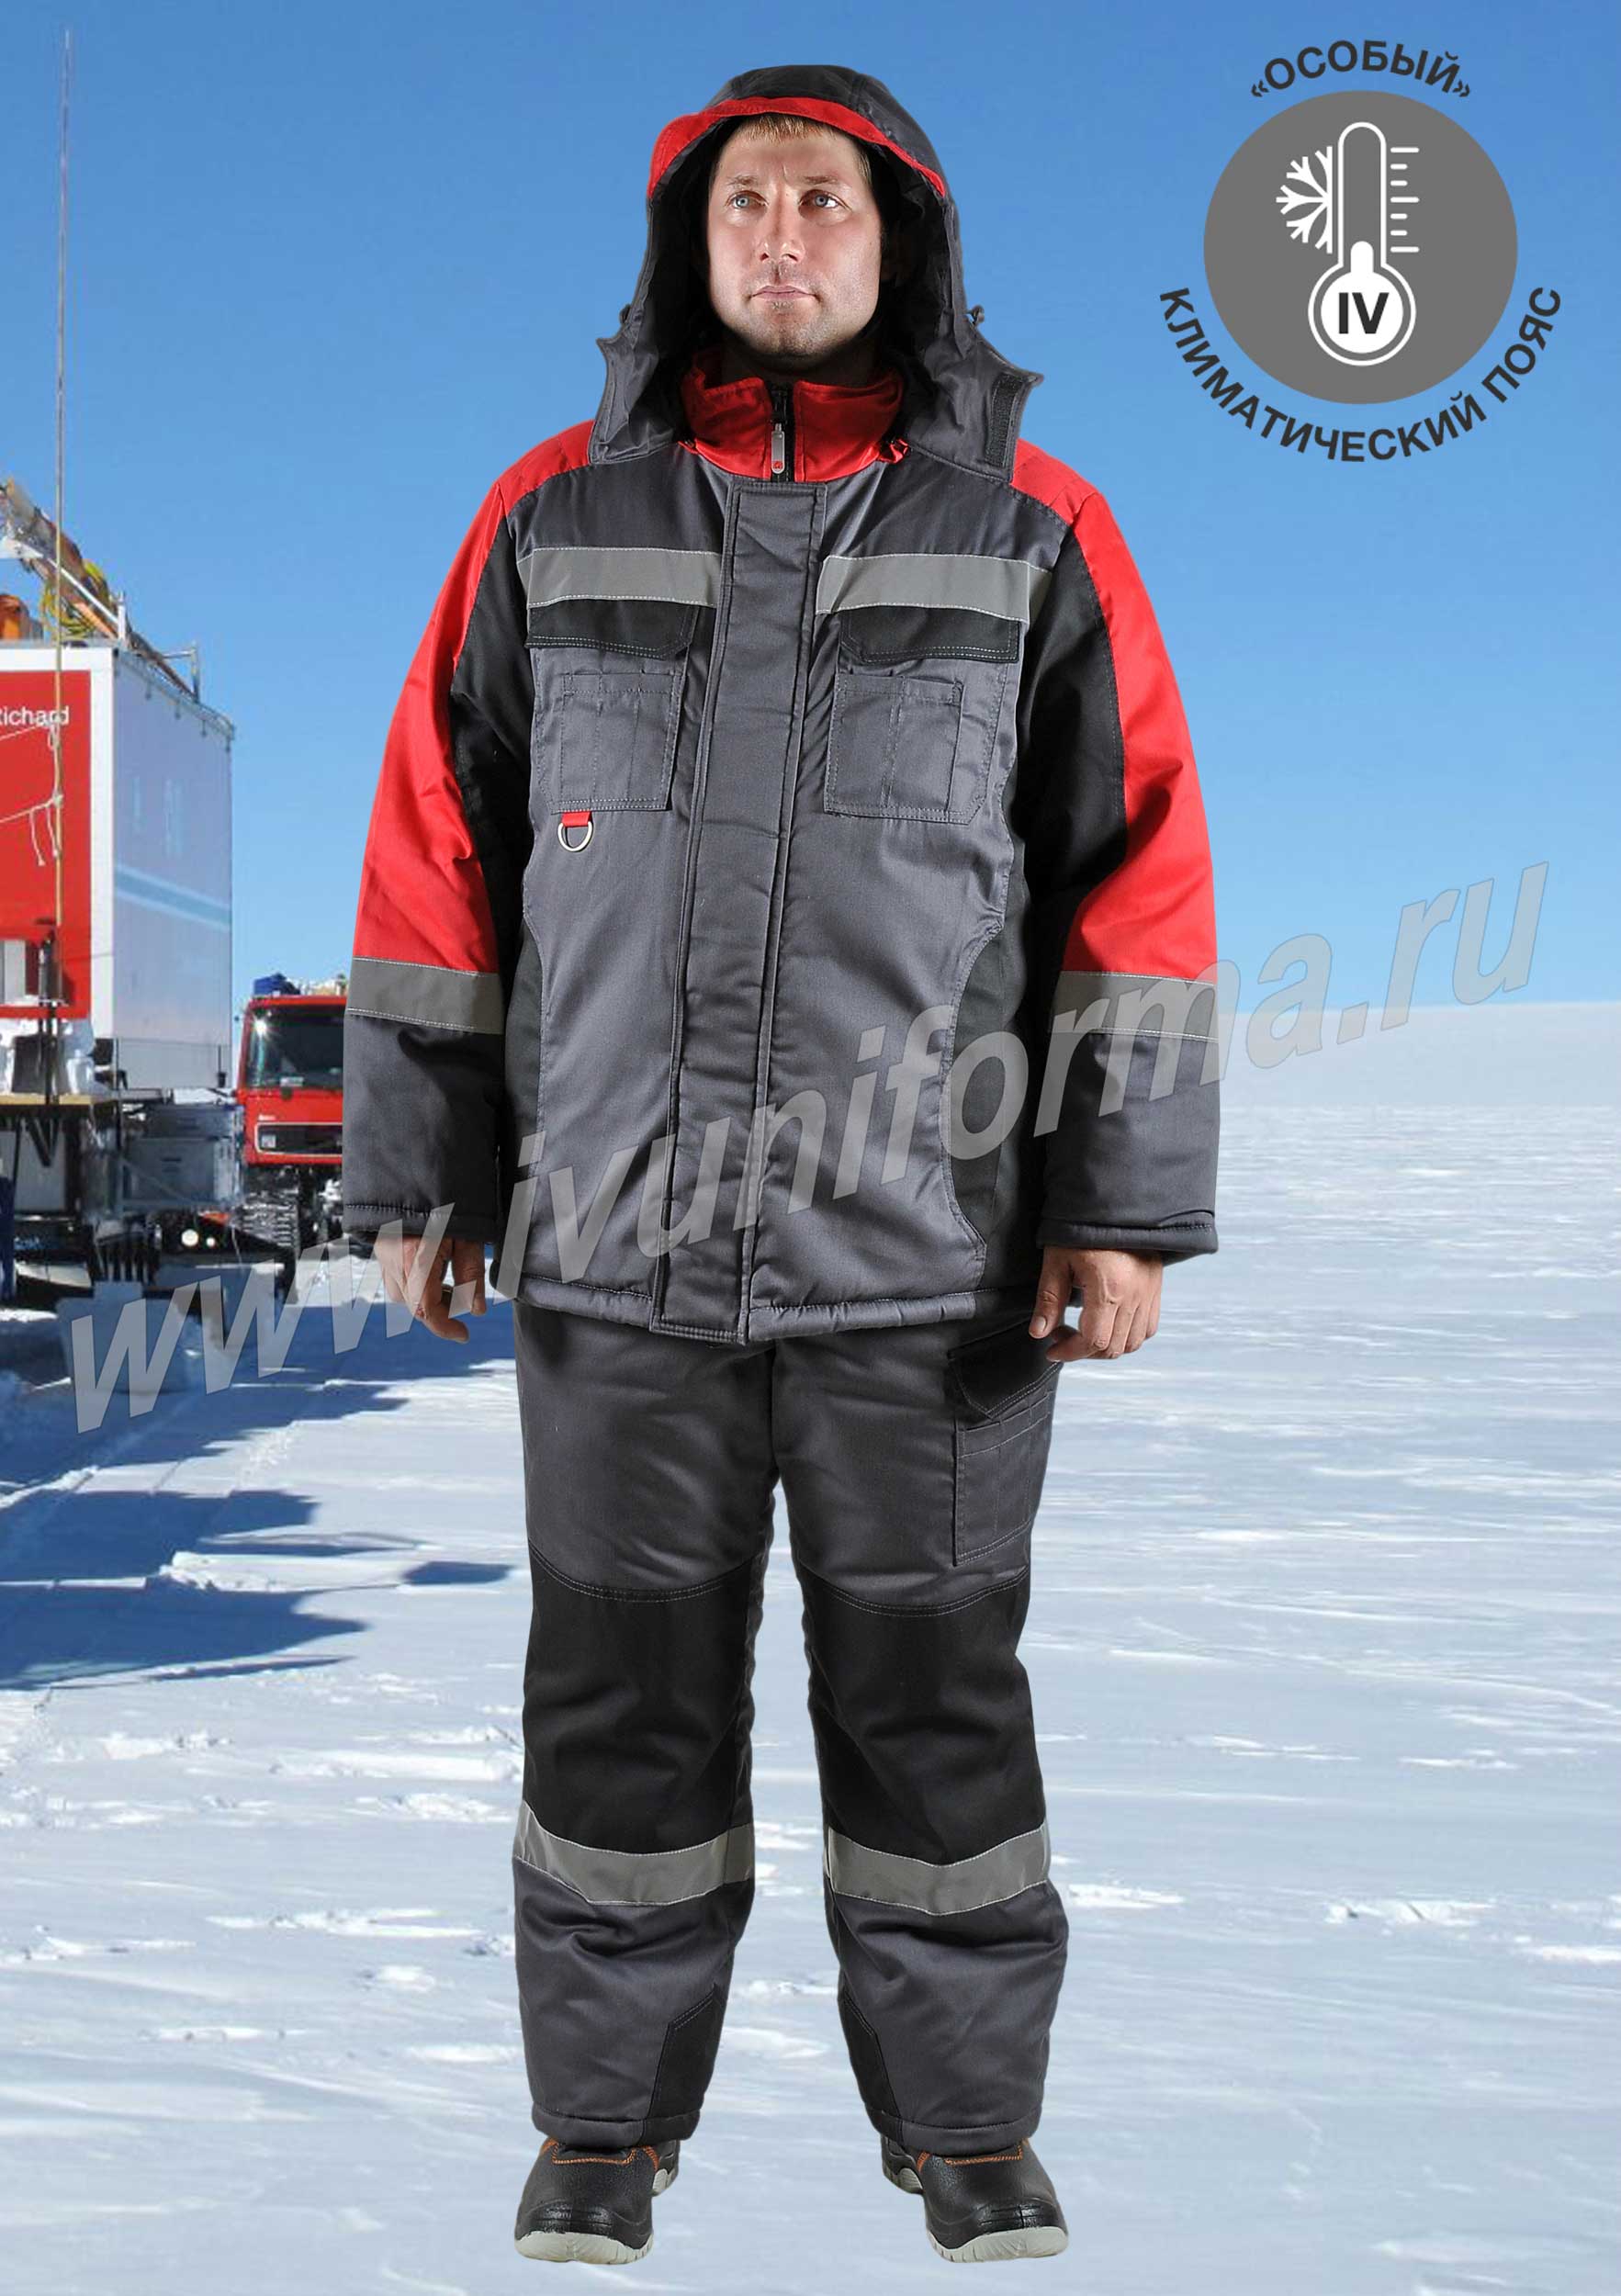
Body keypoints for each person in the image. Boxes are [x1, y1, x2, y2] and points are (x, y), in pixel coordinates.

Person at [341, 62, 1220, 2269]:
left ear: (897, 236)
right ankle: (603, 2129)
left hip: (931, 1263)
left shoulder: (1029, 527)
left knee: (933, 1706)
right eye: (749, 201)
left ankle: (967, 2131)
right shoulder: (552, 513)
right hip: (618, 1253)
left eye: (827, 199)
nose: (786, 237)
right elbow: (440, 853)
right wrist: (425, 1173)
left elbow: (1131, 874)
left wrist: (1115, 1203)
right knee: (617, 1699)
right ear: (691, 238)